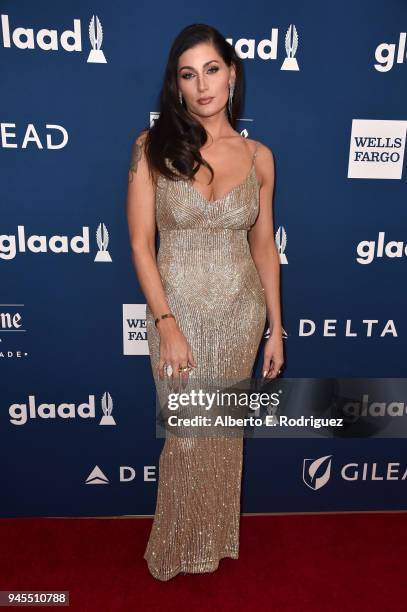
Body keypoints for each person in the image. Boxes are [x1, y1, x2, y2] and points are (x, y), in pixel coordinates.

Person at [126, 23, 284, 581]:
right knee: (186, 435)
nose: (202, 85)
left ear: (233, 74)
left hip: (241, 313)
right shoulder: (151, 148)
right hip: (179, 314)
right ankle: (173, 545)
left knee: (221, 435)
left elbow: (263, 247)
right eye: (188, 74)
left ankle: (210, 540)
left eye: (212, 70)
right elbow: (142, 244)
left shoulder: (260, 157)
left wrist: (276, 329)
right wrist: (167, 322)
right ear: (177, 85)